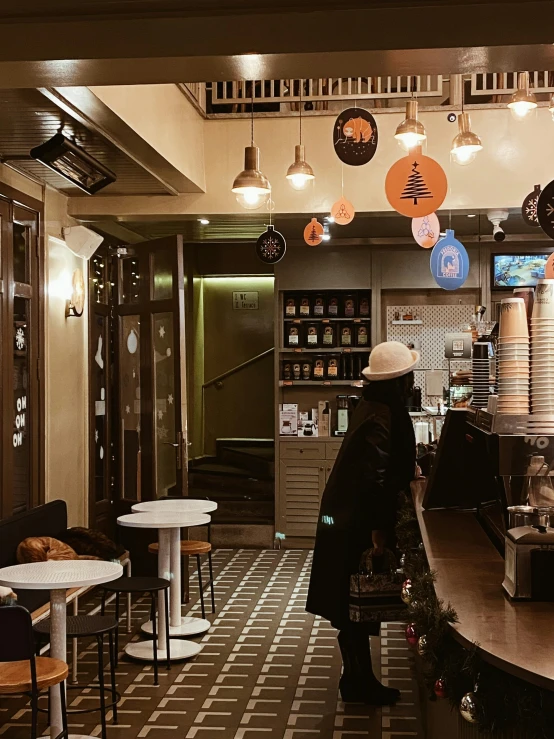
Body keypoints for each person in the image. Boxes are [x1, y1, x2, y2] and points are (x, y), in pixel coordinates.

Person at [306, 341, 418, 705]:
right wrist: (379, 530)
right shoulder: (385, 414)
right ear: (400, 381)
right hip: (355, 522)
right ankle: (358, 683)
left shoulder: (372, 405)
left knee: (348, 601)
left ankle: (355, 677)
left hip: (343, 516)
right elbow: (376, 478)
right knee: (354, 598)